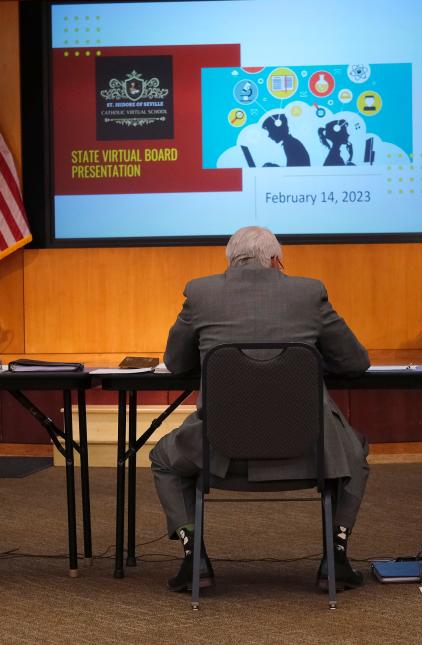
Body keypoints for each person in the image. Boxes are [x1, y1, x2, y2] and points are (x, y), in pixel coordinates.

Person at [149, 226, 371, 592]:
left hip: (220, 452)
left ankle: (194, 559)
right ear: (276, 261)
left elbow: (175, 362)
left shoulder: (200, 293)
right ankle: (336, 556)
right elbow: (354, 361)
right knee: (356, 451)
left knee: (163, 458)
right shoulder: (309, 292)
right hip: (311, 453)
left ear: (230, 262)